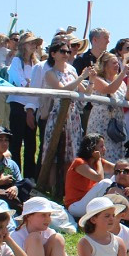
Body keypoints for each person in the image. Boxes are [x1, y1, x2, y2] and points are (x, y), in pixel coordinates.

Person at [41, 37, 93, 188]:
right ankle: (51, 188)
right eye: (62, 51)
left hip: (73, 116)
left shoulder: (72, 71)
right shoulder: (49, 73)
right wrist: (82, 77)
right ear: (53, 54)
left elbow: (86, 94)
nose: (66, 54)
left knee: (72, 155)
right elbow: (63, 90)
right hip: (58, 115)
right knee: (54, 154)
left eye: (68, 51)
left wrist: (91, 80)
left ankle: (66, 188)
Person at [6, 33, 43, 177]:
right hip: (18, 104)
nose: (33, 46)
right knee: (16, 142)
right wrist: (30, 83)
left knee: (31, 143)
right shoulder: (16, 61)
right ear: (23, 45)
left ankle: (29, 175)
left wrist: (30, 83)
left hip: (32, 105)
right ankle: (16, 175)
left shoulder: (36, 63)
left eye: (35, 43)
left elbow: (34, 82)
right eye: (30, 43)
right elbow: (20, 81)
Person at [86, 51, 129, 162]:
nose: (117, 66)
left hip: (117, 123)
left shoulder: (121, 82)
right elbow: (109, 89)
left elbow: (128, 98)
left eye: (118, 63)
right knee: (101, 154)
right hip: (101, 123)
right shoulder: (96, 79)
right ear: (105, 65)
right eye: (114, 63)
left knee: (117, 157)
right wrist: (123, 72)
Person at [64, 133, 115, 217]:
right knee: (106, 182)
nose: (104, 149)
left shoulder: (97, 162)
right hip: (76, 207)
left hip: (88, 203)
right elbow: (99, 178)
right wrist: (98, 159)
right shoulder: (79, 162)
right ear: (92, 149)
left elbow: (116, 168)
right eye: (101, 146)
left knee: (118, 177)